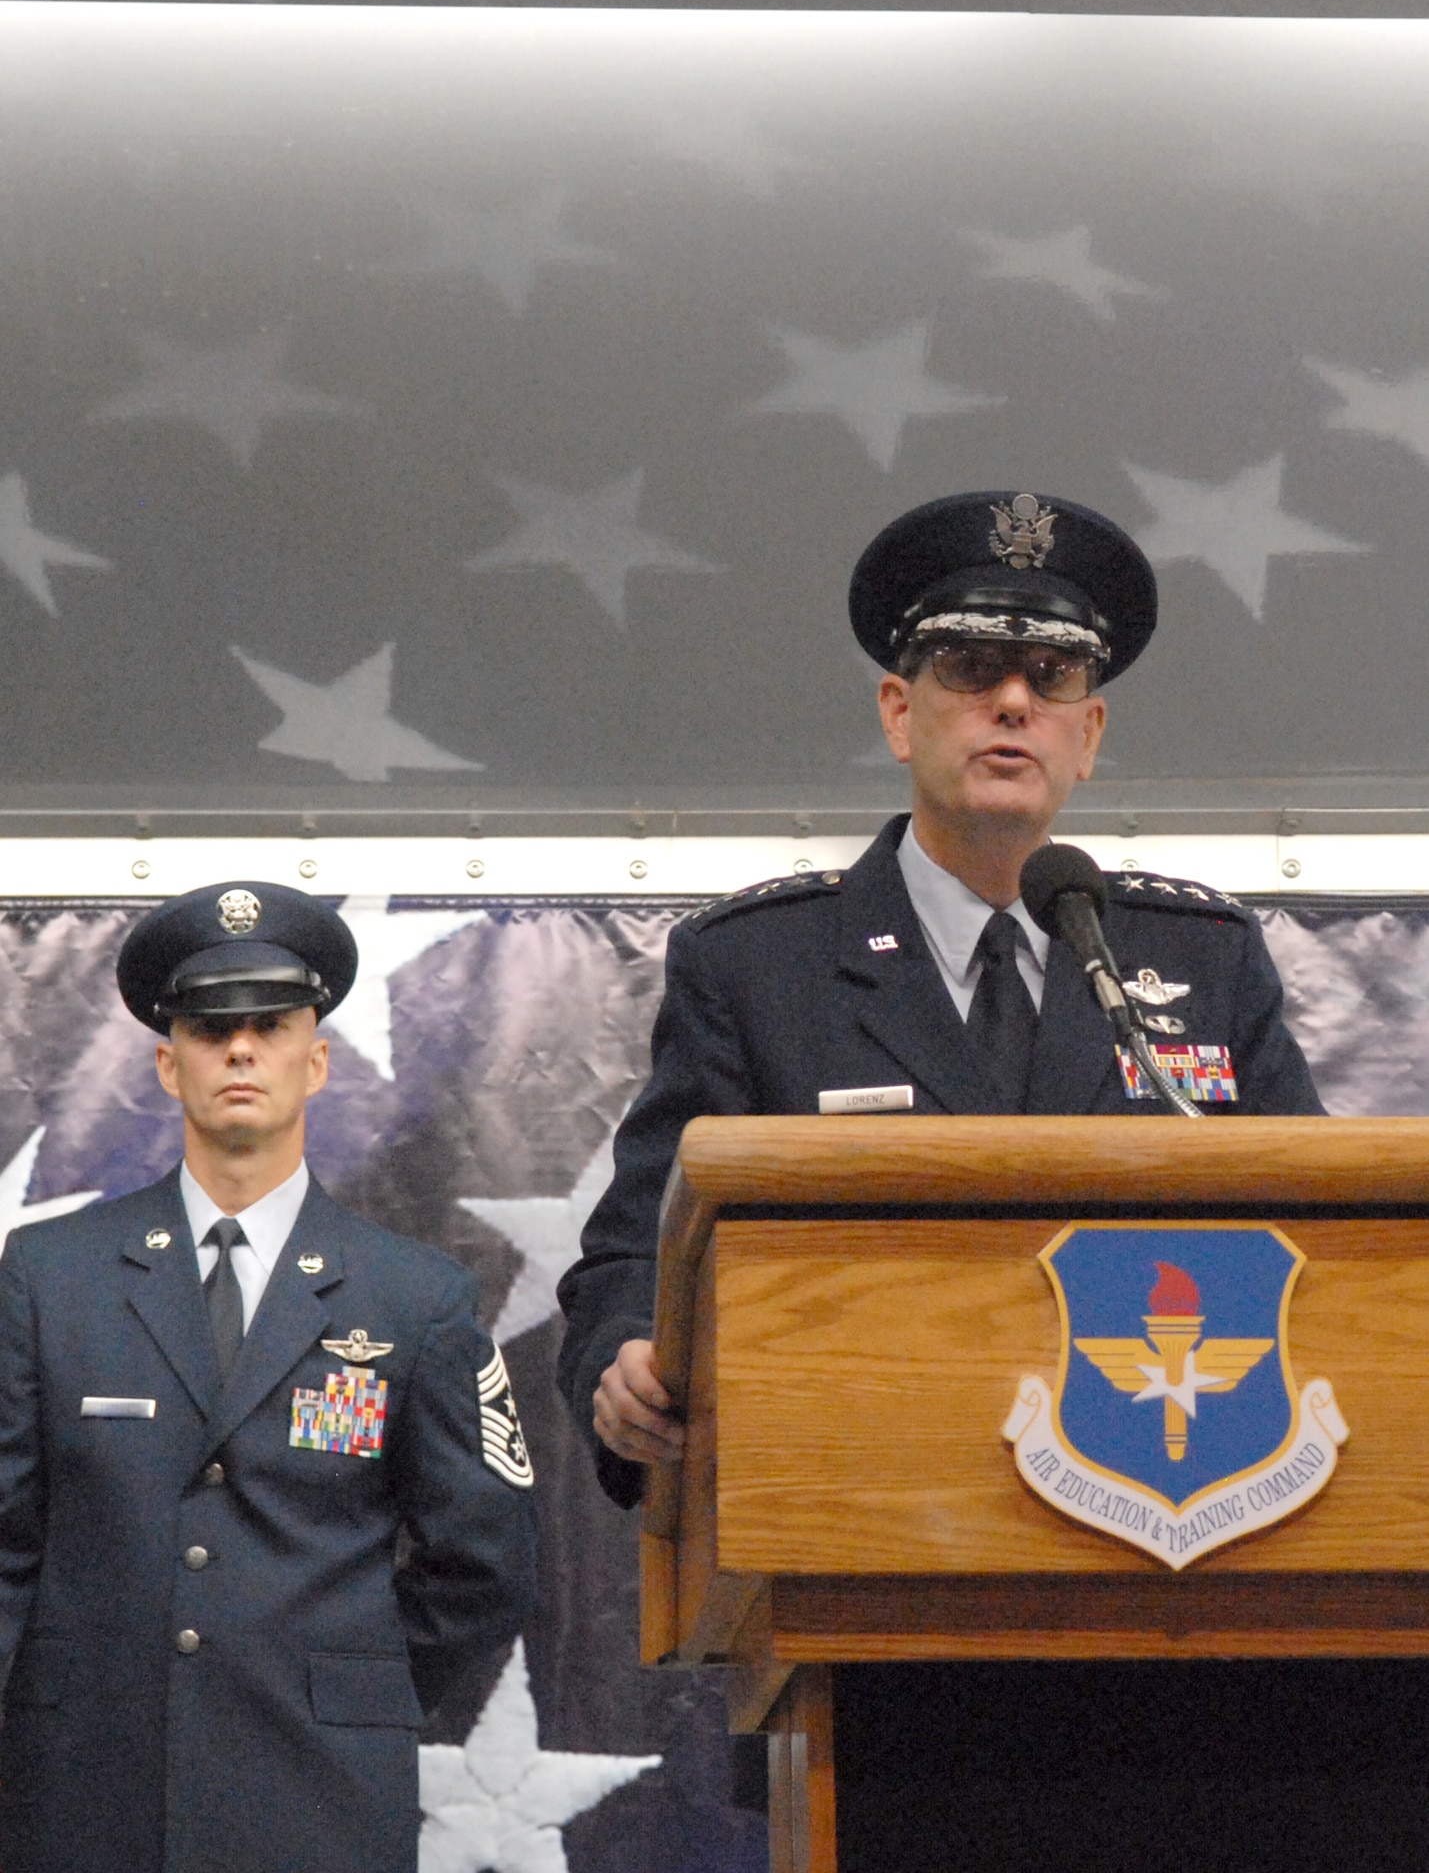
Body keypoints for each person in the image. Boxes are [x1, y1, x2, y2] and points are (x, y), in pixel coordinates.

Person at [556, 488, 1323, 1507]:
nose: (1012, 702)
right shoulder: (757, 966)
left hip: (1157, 1512)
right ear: (898, 711)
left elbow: (1322, 1234)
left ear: (1086, 736)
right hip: (866, 1514)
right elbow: (630, 1254)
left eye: (1050, 677)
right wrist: (624, 1358)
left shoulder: (1205, 958)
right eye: (969, 668)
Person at [0, 881, 537, 1873]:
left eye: (269, 1023)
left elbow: (486, 1557)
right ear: (168, 1062)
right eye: (210, 1027)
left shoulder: (413, 1297)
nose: (240, 1049)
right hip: (80, 1790)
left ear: (317, 1057)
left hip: (320, 1792)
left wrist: (348, 1682)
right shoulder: (47, 1275)